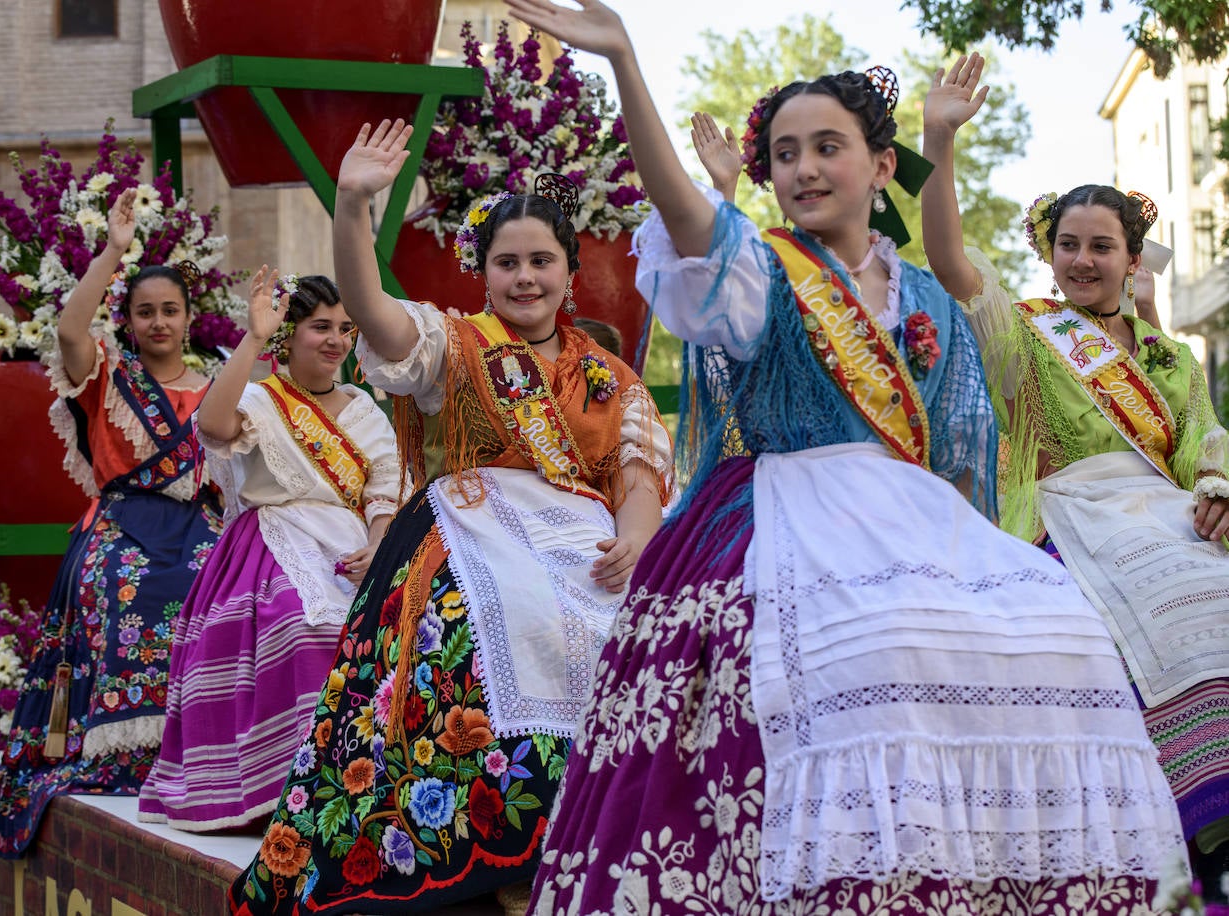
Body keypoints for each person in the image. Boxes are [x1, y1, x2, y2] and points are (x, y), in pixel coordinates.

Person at [500, 2, 1187, 913]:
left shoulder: (928, 302)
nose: (805, 168)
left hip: (913, 512)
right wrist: (628, 64)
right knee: (863, 660)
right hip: (784, 509)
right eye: (784, 154)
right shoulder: (761, 271)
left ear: (880, 166)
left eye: (828, 146)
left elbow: (958, 453)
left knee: (1064, 637)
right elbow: (686, 216)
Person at [227, 121, 673, 915]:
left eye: (541, 262)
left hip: (579, 543)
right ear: (485, 271)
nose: (525, 278)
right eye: (508, 263)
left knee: (638, 637)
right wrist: (352, 207)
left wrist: (636, 535)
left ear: (571, 272)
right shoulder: (452, 344)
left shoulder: (609, 377)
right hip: (468, 537)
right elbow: (372, 308)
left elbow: (639, 475)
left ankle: (594, 838)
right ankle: (482, 849)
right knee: (491, 620)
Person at [920, 51, 1229, 886]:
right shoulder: (1023, 334)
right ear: (1049, 253)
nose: (1083, 261)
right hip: (1067, 518)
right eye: (1068, 245)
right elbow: (950, 263)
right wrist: (937, 141)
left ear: (1134, 259)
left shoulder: (1170, 358)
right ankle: (1194, 824)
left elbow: (1208, 441)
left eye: (1103, 246)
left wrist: (1222, 494)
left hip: (1168, 514)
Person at [0, 188, 224, 859]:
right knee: (125, 582)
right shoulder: (106, 379)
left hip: (197, 527)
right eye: (144, 311)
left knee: (225, 588)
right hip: (123, 525)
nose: (157, 322)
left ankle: (202, 750)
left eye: (169, 311)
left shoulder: (217, 388)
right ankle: (118, 751)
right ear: (129, 318)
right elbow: (67, 332)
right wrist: (114, 250)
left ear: (188, 318)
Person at [139, 272, 403, 831]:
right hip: (271, 544)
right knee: (299, 625)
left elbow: (385, 486)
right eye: (320, 327)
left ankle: (362, 787)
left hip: (354, 543)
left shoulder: (364, 410)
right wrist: (254, 338)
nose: (335, 340)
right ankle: (284, 788)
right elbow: (212, 425)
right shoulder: (260, 398)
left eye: (345, 328)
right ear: (291, 333)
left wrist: (380, 542)